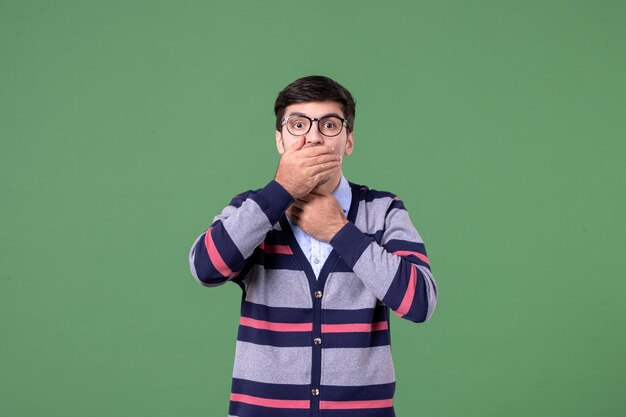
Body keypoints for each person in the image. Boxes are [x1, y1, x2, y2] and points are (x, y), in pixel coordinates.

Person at [189, 75, 438, 417]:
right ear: (280, 140)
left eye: (330, 125)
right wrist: (280, 190)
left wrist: (339, 231)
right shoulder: (254, 209)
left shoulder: (382, 210)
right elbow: (205, 268)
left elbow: (419, 302)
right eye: (298, 124)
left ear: (349, 140)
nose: (313, 137)